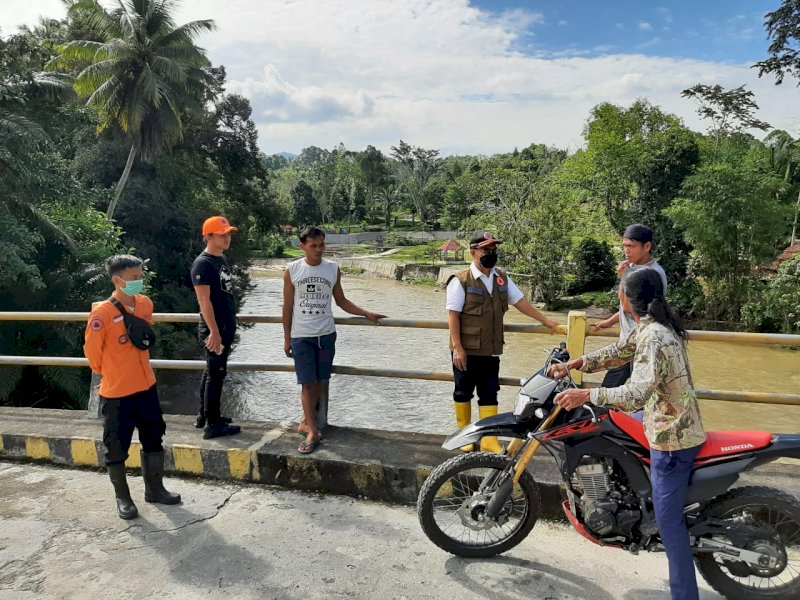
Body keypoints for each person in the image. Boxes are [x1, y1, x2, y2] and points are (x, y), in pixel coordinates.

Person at [549, 267, 706, 600]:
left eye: (619, 291)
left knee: (668, 523)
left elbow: (635, 393)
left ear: (628, 298)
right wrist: (575, 364)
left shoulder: (654, 336)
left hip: (672, 438)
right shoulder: (651, 327)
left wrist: (586, 395)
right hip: (663, 425)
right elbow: (617, 351)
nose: (617, 297)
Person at [84, 255, 181, 520]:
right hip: (117, 393)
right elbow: (93, 356)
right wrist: (115, 372)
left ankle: (155, 489)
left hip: (146, 386)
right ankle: (123, 498)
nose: (140, 282)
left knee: (154, 436)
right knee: (115, 446)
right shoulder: (101, 314)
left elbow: (144, 339)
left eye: (141, 276)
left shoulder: (144, 304)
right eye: (134, 278)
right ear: (117, 280)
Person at [446, 232, 560, 454]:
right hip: (466, 350)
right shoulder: (460, 280)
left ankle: (488, 439)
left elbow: (520, 302)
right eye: (486, 250)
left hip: (490, 349)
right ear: (473, 253)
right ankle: (465, 435)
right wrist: (458, 348)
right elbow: (452, 316)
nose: (491, 254)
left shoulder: (501, 278)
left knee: (489, 393)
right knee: (463, 392)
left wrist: (546, 321)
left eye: (493, 250)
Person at [283, 226, 387, 454]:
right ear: (303, 247)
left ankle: (307, 422)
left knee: (320, 381)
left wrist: (366, 313)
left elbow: (341, 300)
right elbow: (288, 306)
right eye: (313, 246)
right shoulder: (292, 270)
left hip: (326, 334)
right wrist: (287, 338)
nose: (319, 250)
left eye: (322, 245)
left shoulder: (332, 269)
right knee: (306, 383)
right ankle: (311, 430)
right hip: (302, 336)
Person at [592, 224, 668, 388]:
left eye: (632, 246)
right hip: (626, 343)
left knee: (638, 391)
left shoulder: (655, 274)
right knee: (609, 388)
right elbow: (625, 305)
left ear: (647, 246)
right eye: (625, 246)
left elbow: (633, 307)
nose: (627, 251)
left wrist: (623, 277)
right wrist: (610, 322)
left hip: (642, 343)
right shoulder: (631, 267)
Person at [191, 216, 241, 440]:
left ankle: (205, 414)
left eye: (228, 234)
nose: (227, 238)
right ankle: (213, 423)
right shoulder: (203, 264)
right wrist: (214, 332)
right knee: (216, 374)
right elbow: (204, 302)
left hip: (224, 325)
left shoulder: (221, 259)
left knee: (211, 371)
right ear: (208, 237)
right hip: (215, 327)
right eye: (222, 235)